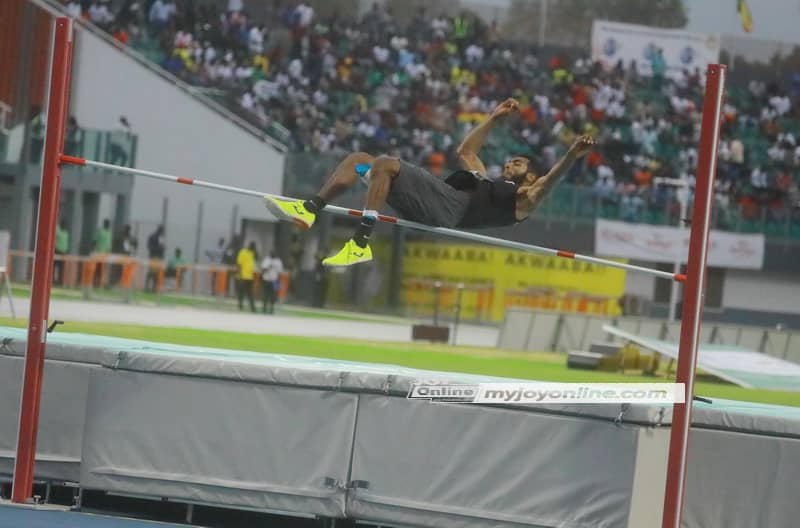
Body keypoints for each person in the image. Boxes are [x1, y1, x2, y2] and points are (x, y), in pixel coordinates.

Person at [265, 98, 596, 266]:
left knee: (386, 164)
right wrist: (493, 119)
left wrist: (571, 154)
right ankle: (310, 208)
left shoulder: (523, 198)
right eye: (510, 160)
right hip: (434, 202)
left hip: (449, 209)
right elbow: (466, 151)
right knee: (361, 161)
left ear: (530, 175)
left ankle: (360, 244)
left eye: (519, 163)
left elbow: (550, 183)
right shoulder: (485, 178)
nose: (510, 163)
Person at [236, 241, 257, 312]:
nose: (253, 249)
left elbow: (252, 264)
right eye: (253, 248)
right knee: (241, 292)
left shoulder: (252, 253)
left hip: (250, 276)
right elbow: (239, 264)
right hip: (243, 276)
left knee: (250, 293)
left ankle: (252, 307)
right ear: (250, 246)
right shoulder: (242, 252)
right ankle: (240, 306)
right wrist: (239, 275)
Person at [54, 220, 70, 286]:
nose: (64, 226)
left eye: (65, 225)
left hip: (63, 252)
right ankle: (52, 280)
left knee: (62, 268)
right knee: (54, 267)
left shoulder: (66, 232)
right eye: (63, 224)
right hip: (57, 251)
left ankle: (60, 281)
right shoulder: (58, 231)